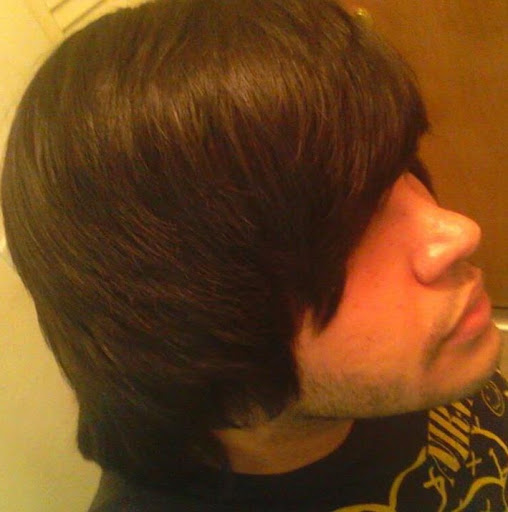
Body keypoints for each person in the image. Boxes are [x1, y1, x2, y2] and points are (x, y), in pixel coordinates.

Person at [1, 0, 506, 510]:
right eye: (346, 228)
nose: (459, 232)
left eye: (403, 166)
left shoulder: (415, 361)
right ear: (182, 324)